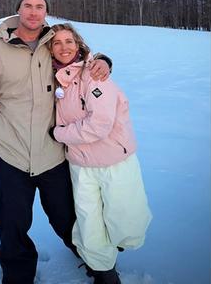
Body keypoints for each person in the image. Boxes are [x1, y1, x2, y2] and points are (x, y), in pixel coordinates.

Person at [0, 0, 112, 283]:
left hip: (53, 156)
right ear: (18, 8)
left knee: (70, 219)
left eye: (40, 6)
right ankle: (18, 276)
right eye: (28, 5)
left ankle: (99, 265)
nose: (34, 12)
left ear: (46, 11)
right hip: (10, 156)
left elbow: (82, 59)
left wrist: (105, 61)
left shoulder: (52, 45)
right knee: (12, 225)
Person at [47, 23, 152, 284]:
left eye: (69, 41)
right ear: (49, 49)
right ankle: (104, 272)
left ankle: (112, 251)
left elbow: (99, 125)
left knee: (123, 218)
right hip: (81, 165)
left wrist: (58, 134)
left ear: (79, 44)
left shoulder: (94, 75)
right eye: (57, 42)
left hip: (113, 160)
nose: (63, 48)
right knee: (88, 221)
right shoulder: (55, 78)